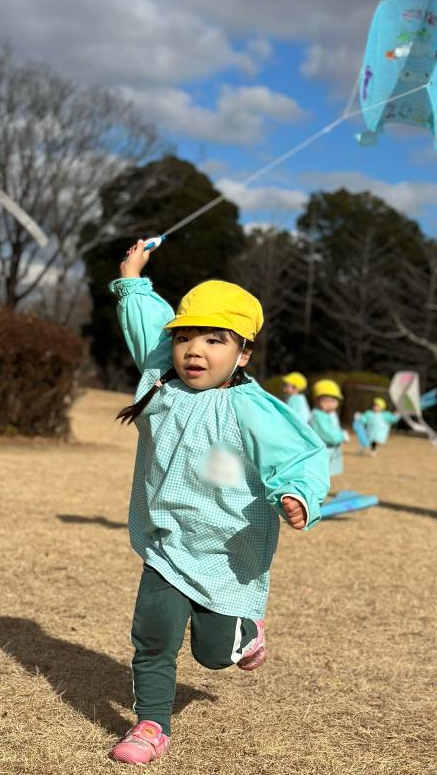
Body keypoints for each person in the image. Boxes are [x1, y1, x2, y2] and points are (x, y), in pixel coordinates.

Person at [107, 241, 329, 765]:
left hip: (228, 552)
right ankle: (151, 725)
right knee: (154, 634)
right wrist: (133, 279)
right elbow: (145, 321)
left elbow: (299, 457)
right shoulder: (160, 376)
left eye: (214, 339)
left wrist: (298, 495)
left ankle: (246, 631)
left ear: (244, 352)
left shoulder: (251, 408)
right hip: (167, 541)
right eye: (184, 337)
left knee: (212, 654)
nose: (194, 350)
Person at [309, 379, 348, 477]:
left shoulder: (328, 414)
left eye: (333, 401)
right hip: (322, 450)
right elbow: (328, 435)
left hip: (329, 450)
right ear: (317, 401)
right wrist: (342, 435)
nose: (330, 404)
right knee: (320, 473)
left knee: (325, 472)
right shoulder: (318, 415)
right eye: (325, 401)